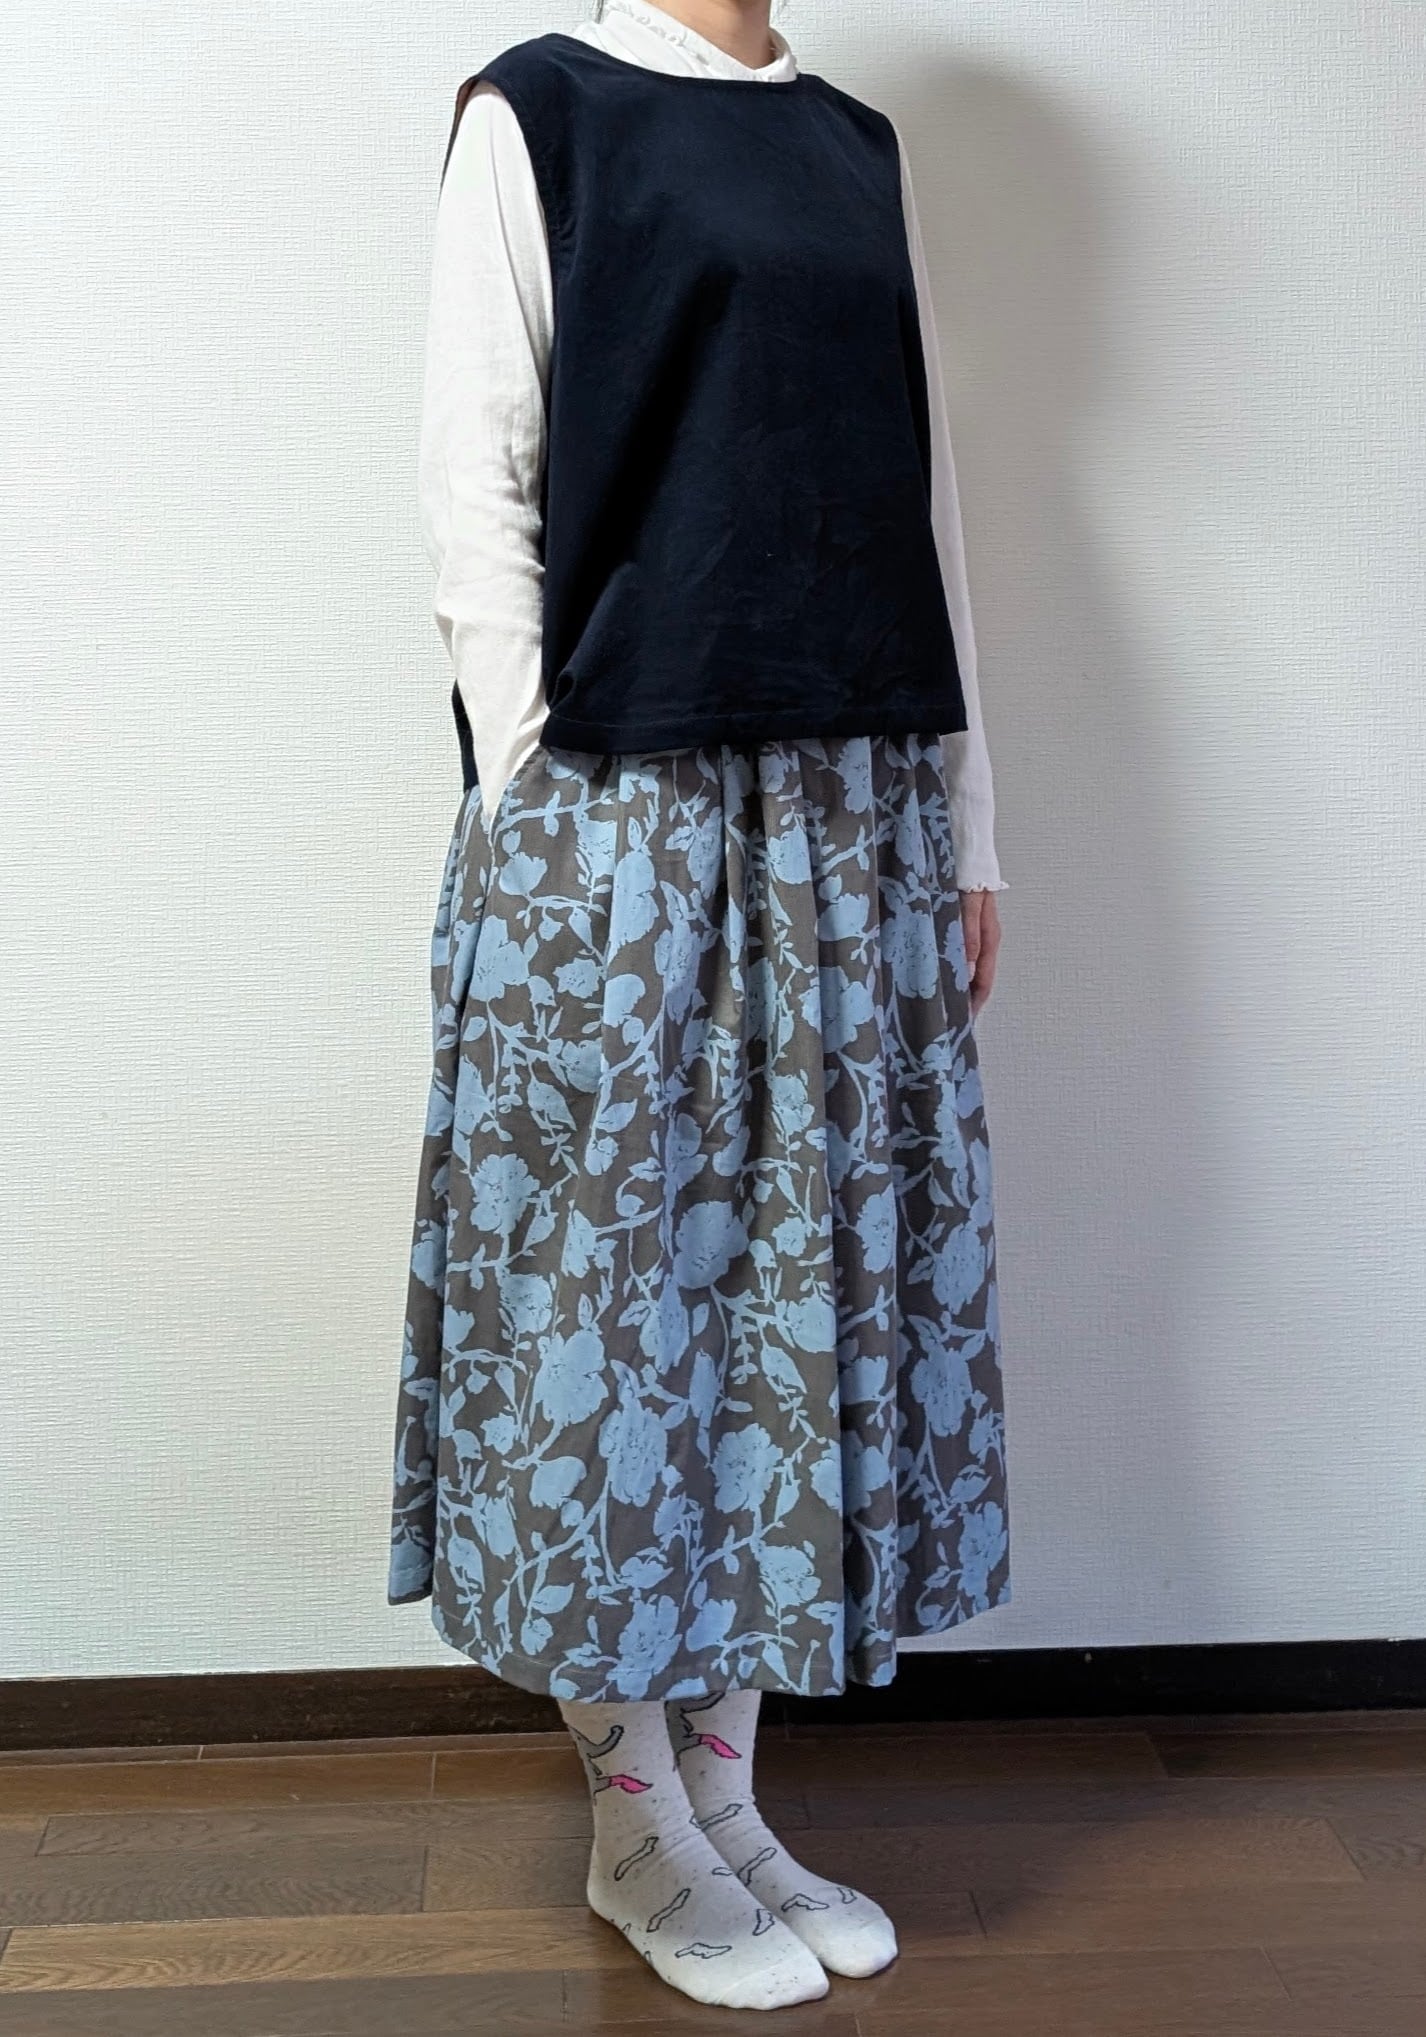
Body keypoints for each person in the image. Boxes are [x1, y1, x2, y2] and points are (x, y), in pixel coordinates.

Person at [388, 0, 1011, 2009]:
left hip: (851, 804)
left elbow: (921, 498)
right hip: (626, 803)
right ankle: (631, 1818)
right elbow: (475, 479)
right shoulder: (541, 112)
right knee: (613, 1307)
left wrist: (967, 824)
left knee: (779, 1311)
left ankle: (727, 1801)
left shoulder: (852, 146)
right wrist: (535, 806)